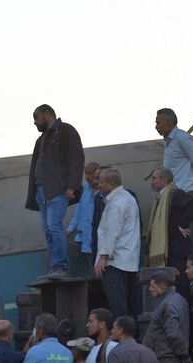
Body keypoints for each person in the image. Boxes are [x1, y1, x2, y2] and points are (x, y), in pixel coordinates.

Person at [24, 104, 84, 280]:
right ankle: (55, 266)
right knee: (48, 229)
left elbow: (76, 157)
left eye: (36, 117)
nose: (35, 122)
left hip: (57, 190)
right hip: (42, 191)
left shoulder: (65, 131)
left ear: (46, 114)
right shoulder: (41, 140)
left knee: (54, 226)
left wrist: (72, 185)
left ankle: (62, 266)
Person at [94, 168, 142, 319]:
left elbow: (112, 232)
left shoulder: (117, 203)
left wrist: (103, 257)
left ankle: (121, 338)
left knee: (118, 305)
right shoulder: (128, 198)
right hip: (129, 260)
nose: (98, 185)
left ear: (111, 183)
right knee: (130, 304)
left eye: (101, 182)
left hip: (115, 261)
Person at [148, 167, 193, 299]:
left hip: (179, 250)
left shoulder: (174, 194)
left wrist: (182, 224)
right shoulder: (160, 199)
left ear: (165, 180)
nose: (152, 181)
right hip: (170, 250)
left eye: (154, 178)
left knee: (181, 286)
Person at [155, 108, 193, 197]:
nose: (156, 127)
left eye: (158, 123)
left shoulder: (182, 138)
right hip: (175, 193)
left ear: (169, 122)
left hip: (186, 193)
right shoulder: (169, 141)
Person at [66, 161, 102, 257]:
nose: (86, 177)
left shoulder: (104, 191)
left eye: (90, 173)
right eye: (85, 173)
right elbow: (78, 213)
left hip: (98, 238)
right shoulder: (86, 189)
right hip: (82, 236)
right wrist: (69, 230)